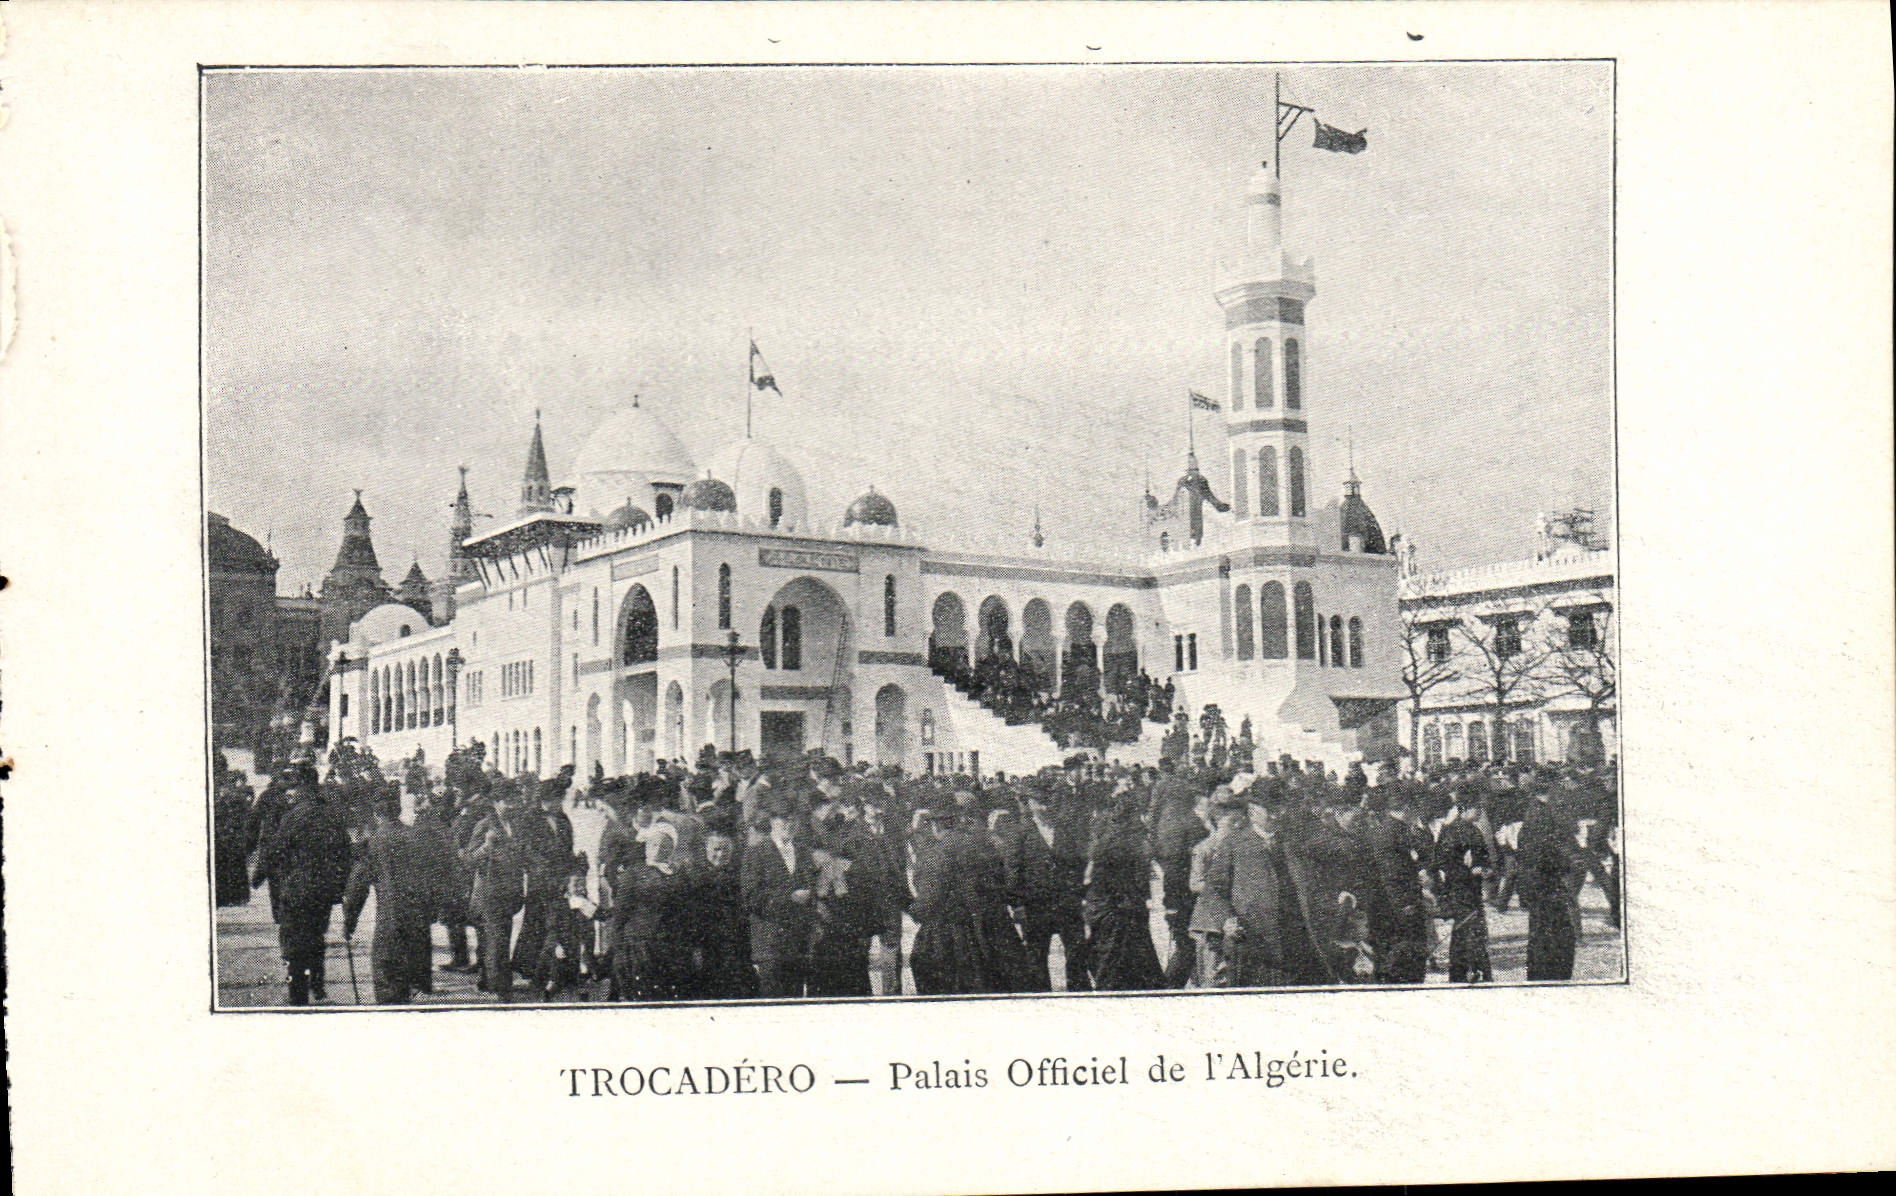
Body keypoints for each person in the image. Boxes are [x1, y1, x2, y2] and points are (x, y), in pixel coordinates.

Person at [250, 762, 352, 1005]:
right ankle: (318, 988)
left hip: (297, 889)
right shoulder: (330, 812)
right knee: (316, 937)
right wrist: (340, 885)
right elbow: (345, 851)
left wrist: (258, 875)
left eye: (293, 785)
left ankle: (298, 995)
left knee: (295, 942)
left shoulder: (296, 814)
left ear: (300, 784)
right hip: (324, 891)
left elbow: (276, 848)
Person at [341, 787, 433, 1004]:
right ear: (399, 810)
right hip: (419, 924)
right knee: (411, 986)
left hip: (391, 923)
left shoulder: (375, 842)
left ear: (376, 813)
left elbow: (357, 888)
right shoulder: (416, 837)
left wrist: (349, 921)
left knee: (388, 983)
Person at [1015, 784, 1093, 992]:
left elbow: (1079, 864)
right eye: (1040, 803)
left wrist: (1080, 895)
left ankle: (1080, 998)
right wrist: (1018, 904)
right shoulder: (1021, 834)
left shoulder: (1067, 830)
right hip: (1036, 906)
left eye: (1048, 803)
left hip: (1067, 904)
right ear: (1030, 805)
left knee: (1076, 955)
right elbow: (1014, 872)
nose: (1045, 808)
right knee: (1036, 959)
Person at [1085, 794, 1165, 991]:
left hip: (1109, 907)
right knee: (1121, 962)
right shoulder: (1132, 840)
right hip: (1122, 910)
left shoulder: (1104, 839)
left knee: (1111, 961)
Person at [1358, 783, 1434, 984]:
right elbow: (1393, 874)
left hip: (1393, 904)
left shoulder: (1389, 828)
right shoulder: (1394, 832)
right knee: (1405, 960)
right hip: (1399, 906)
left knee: (1397, 959)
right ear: (1408, 809)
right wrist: (1406, 903)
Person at [464, 781, 529, 1002]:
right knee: (497, 941)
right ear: (495, 803)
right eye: (507, 801)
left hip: (509, 893)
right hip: (489, 893)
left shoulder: (516, 825)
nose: (512, 805)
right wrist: (486, 848)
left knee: (492, 939)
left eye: (514, 800)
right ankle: (501, 989)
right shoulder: (484, 826)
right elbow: (469, 860)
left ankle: (486, 979)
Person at [742, 802, 815, 998]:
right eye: (783, 820)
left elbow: (812, 890)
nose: (788, 825)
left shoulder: (803, 851)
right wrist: (789, 899)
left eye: (793, 821)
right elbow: (750, 897)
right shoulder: (756, 853)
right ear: (772, 822)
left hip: (798, 944)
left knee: (796, 1000)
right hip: (770, 945)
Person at [1146, 759, 1207, 987]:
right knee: (1189, 945)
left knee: (1185, 942)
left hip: (1174, 892)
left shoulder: (1164, 821)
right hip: (1186, 894)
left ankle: (1177, 982)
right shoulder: (1190, 823)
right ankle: (1171, 985)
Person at [1518, 771, 1582, 980]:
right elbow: (1546, 851)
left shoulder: (1533, 813)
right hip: (1546, 883)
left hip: (1536, 883)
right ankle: (1550, 977)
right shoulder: (1544, 816)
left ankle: (1542, 975)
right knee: (1555, 936)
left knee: (1542, 933)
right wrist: (1567, 862)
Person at [1186, 789, 1245, 987]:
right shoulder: (1204, 849)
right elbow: (1195, 884)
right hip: (1209, 920)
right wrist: (1220, 888)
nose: (1236, 826)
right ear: (1217, 820)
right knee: (1212, 978)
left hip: (1233, 915)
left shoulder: (1239, 847)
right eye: (1231, 822)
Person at [1431, 793, 1493, 984]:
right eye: (1476, 808)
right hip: (1460, 890)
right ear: (1464, 809)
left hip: (1471, 890)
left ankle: (1470, 973)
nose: (1480, 812)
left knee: (1470, 934)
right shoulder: (1452, 831)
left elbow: (1483, 858)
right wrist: (1471, 871)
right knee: (1467, 934)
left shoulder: (1472, 830)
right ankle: (1466, 974)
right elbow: (1444, 864)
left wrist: (1483, 868)